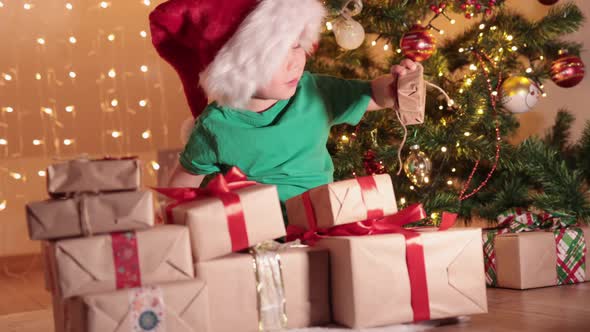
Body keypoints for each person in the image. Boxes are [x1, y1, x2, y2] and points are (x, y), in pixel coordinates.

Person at [150, 0, 420, 220]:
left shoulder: (315, 92)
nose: (294, 62)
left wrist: (396, 88)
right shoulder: (215, 125)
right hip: (251, 232)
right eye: (277, 56)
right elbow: (186, 180)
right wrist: (171, 222)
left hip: (321, 221)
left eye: (296, 46)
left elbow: (372, 94)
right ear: (238, 70)